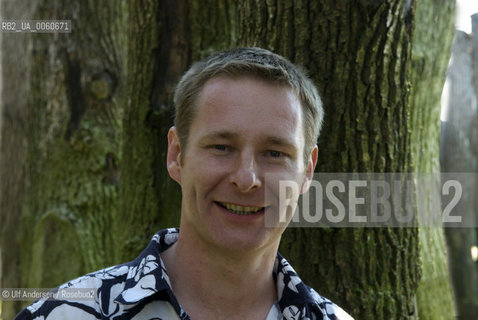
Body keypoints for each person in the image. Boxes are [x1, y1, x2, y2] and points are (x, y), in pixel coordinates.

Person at [16, 47, 353, 319]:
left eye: (275, 153)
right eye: (221, 147)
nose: (246, 179)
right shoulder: (68, 314)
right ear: (176, 155)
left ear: (308, 171)